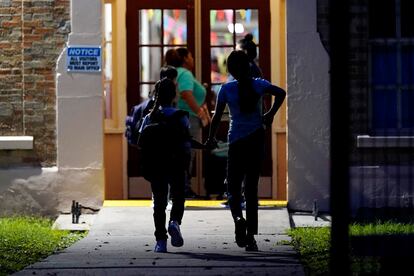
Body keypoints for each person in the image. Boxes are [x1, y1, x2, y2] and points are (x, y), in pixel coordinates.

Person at [205, 50, 286, 251]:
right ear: (249, 66)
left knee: (232, 187)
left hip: (236, 142)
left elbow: (216, 118)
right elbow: (281, 93)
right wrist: (269, 114)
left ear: (230, 69)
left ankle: (238, 218)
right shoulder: (259, 84)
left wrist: (210, 138)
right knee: (251, 188)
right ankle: (251, 237)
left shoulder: (226, 89)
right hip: (257, 139)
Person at [139, 77, 191, 253]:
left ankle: (160, 241)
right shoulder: (181, 117)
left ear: (156, 96)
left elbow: (141, 142)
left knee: (159, 203)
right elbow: (186, 142)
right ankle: (174, 221)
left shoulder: (149, 118)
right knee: (178, 197)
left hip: (156, 165)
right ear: (174, 96)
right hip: (176, 164)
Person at [165, 48, 210, 198]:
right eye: (191, 55)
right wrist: (200, 112)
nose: (192, 58)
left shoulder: (175, 72)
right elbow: (186, 93)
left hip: (181, 117)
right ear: (185, 58)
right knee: (187, 154)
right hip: (188, 119)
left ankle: (181, 188)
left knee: (180, 154)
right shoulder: (185, 74)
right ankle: (184, 189)